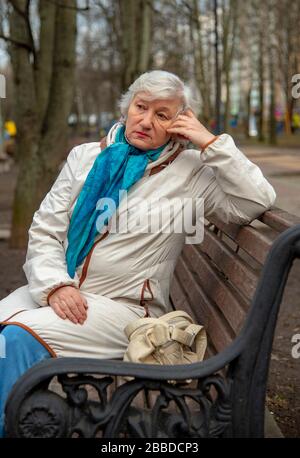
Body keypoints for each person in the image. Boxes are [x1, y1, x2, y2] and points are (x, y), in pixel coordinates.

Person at [0, 70, 276, 437]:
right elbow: (45, 230)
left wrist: (210, 143)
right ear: (126, 108)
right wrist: (54, 285)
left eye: (162, 115)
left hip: (128, 311)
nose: (146, 121)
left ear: (180, 123)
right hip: (63, 292)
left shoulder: (190, 172)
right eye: (140, 107)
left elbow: (255, 201)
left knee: (14, 339)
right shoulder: (85, 157)